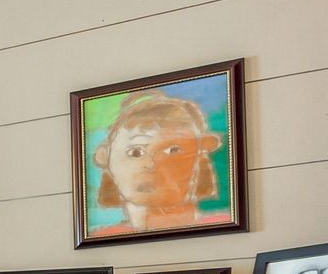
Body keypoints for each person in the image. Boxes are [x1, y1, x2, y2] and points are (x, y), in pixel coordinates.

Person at [89, 91, 226, 235]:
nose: (151, 164)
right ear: (106, 158)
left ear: (198, 157)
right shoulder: (104, 237)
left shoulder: (220, 225)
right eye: (136, 152)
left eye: (173, 150)